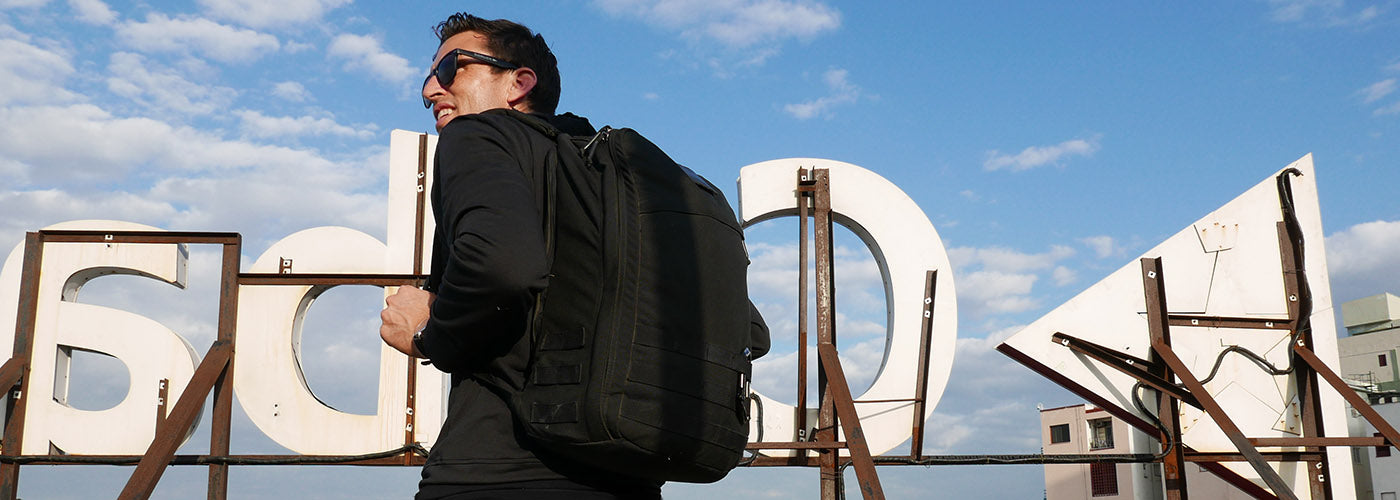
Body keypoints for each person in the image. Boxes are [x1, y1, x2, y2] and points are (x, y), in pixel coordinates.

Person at [378, 13, 662, 500]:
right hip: (625, 473)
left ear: (518, 82)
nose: (430, 90)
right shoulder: (614, 181)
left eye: (450, 70)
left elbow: (503, 267)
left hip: (497, 471)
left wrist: (429, 334)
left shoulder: (477, 136)